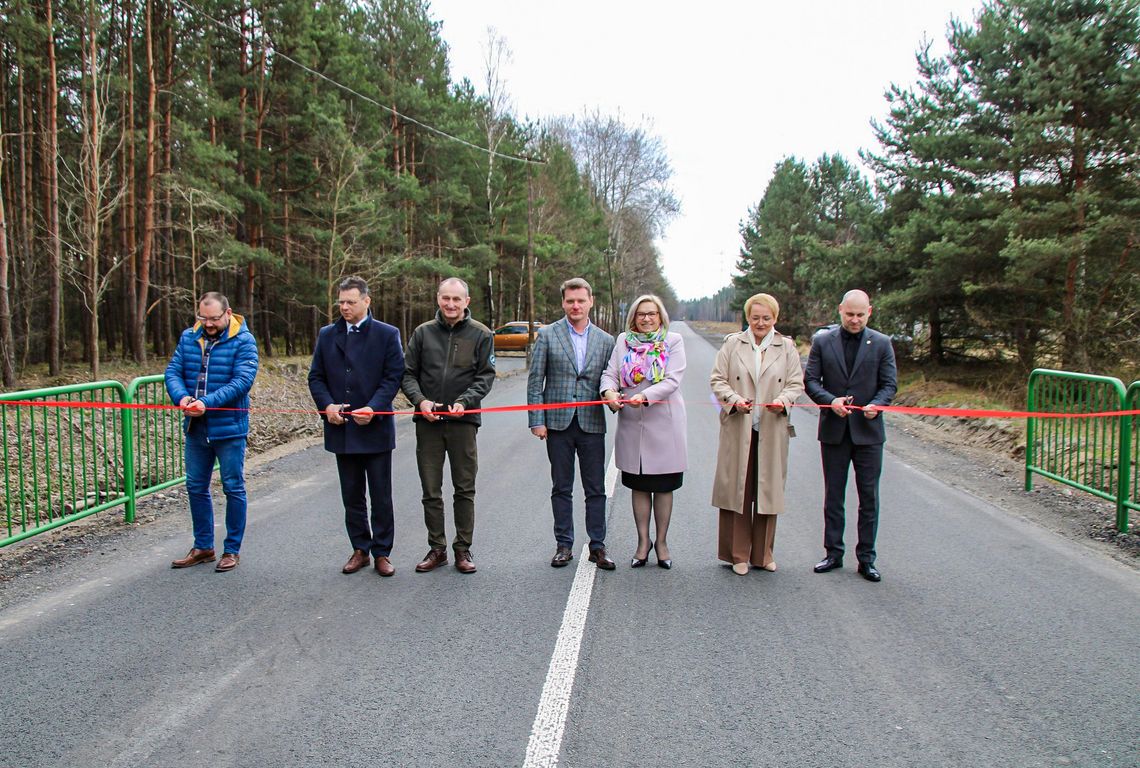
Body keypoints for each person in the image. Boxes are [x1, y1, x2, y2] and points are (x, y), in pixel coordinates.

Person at [309, 276, 405, 577]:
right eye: (341, 302)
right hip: (342, 427)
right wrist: (327, 407)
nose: (345, 307)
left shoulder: (387, 334)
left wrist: (374, 408)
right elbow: (316, 377)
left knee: (380, 494)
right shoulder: (327, 335)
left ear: (367, 301)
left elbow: (393, 377)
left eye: (351, 302)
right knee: (351, 494)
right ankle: (360, 549)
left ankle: (382, 552)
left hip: (374, 428)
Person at [401, 277, 496, 575]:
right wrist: (420, 401)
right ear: (438, 299)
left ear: (467, 301)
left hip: (463, 422)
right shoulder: (422, 333)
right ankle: (437, 548)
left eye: (457, 299)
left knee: (464, 488)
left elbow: (485, 376)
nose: (451, 304)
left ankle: (462, 548)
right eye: (446, 298)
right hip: (427, 423)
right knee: (431, 489)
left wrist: (465, 402)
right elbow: (407, 375)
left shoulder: (480, 334)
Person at [804, 289, 898, 582]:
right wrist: (830, 401)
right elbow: (810, 381)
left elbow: (889, 384)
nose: (855, 320)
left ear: (870, 312)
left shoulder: (882, 343)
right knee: (834, 494)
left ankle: (866, 558)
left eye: (860, 315)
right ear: (840, 310)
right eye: (850, 314)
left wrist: (877, 405)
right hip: (834, 430)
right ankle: (833, 552)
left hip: (869, 433)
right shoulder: (822, 341)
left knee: (868, 497)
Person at [709, 293, 804, 575]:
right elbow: (717, 379)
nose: (760, 323)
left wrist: (783, 401)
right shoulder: (732, 344)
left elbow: (796, 383)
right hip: (739, 425)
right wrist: (733, 398)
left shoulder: (786, 347)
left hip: (771, 428)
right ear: (747, 318)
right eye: (755, 317)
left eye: (766, 318)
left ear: (775, 318)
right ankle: (738, 555)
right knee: (737, 490)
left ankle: (763, 554)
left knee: (767, 491)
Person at [165, 292, 259, 573]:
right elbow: (173, 372)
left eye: (214, 319)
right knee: (195, 486)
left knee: (233, 486)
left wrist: (206, 403)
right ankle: (203, 546)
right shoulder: (188, 337)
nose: (207, 324)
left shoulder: (244, 341)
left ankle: (232, 549)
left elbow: (242, 381)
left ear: (227, 313)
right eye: (202, 318)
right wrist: (182, 398)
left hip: (229, 428)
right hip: (196, 426)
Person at [527, 277, 617, 569]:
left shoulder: (606, 340)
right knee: (561, 487)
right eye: (570, 301)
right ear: (563, 302)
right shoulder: (548, 335)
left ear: (591, 302)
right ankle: (563, 545)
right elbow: (535, 380)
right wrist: (537, 420)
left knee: (595, 489)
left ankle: (598, 546)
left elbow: (612, 378)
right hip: (557, 425)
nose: (575, 306)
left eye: (580, 300)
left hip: (591, 424)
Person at [600, 294, 687, 569]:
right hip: (632, 424)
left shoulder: (673, 341)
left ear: (660, 317)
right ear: (633, 319)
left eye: (651, 314)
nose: (647, 318)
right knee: (639, 485)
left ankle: (661, 542)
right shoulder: (623, 341)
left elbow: (673, 379)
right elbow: (610, 373)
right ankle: (642, 542)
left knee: (663, 487)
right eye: (641, 314)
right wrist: (609, 391)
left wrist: (646, 395)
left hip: (664, 423)